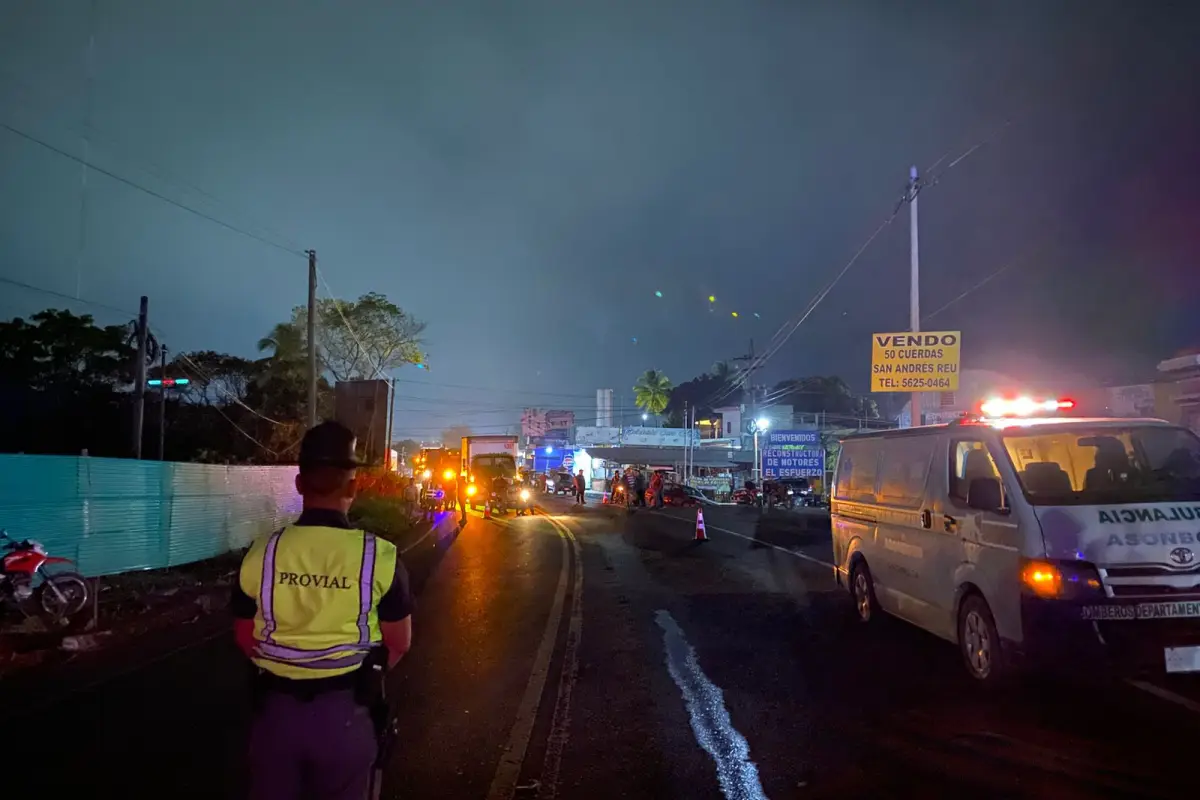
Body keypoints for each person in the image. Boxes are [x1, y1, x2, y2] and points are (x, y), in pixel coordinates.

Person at [232, 421, 414, 800]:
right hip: (345, 718)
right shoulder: (379, 556)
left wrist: (287, 666)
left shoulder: (260, 552)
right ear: (353, 487)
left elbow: (243, 633)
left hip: (275, 719)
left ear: (299, 484)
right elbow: (399, 642)